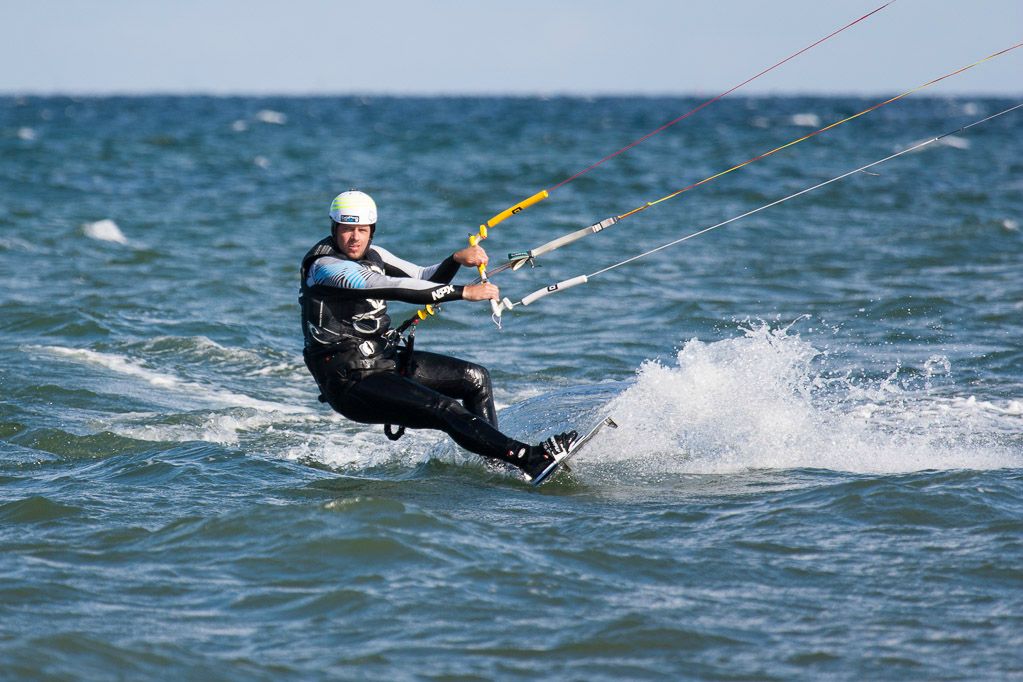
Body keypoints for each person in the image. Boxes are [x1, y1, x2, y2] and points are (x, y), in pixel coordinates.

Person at [300, 190, 577, 482]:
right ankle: (530, 459)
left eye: (362, 230)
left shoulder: (375, 254)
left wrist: (456, 259)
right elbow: (395, 288)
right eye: (346, 229)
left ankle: (499, 465)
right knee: (443, 408)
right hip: (351, 381)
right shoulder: (325, 268)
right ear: (334, 229)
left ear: (371, 231)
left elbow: (425, 278)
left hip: (384, 361)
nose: (354, 237)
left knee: (475, 379)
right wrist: (463, 292)